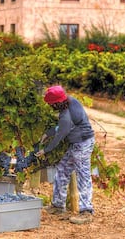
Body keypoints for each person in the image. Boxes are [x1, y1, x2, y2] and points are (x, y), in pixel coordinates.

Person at [35, 85, 95, 225]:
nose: (50, 107)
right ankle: (57, 206)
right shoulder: (71, 101)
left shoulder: (66, 116)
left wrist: (45, 150)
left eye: (51, 104)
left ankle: (86, 211)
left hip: (82, 144)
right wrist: (49, 132)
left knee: (83, 176)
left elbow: (60, 135)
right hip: (77, 144)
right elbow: (63, 127)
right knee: (62, 170)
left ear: (57, 103)